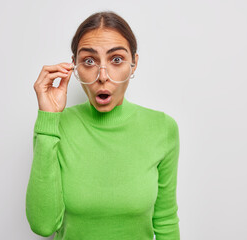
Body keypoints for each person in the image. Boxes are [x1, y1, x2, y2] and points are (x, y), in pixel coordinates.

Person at [26, 11, 181, 240]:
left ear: (134, 64)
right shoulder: (54, 125)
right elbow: (43, 225)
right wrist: (48, 118)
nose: (102, 76)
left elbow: (166, 221)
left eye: (116, 59)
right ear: (74, 67)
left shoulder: (162, 128)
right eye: (89, 61)